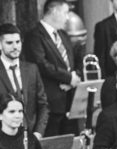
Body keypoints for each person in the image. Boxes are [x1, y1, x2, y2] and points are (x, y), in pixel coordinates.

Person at [24, 0, 80, 137]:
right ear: (54, 11)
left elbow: (74, 60)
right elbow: (41, 64)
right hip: (51, 103)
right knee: (53, 143)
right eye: (65, 13)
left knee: (72, 141)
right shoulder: (34, 36)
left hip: (70, 101)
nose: (67, 18)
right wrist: (68, 78)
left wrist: (73, 78)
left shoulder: (63, 35)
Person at [0, 24, 49, 138]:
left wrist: (38, 132)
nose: (15, 47)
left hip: (31, 135)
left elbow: (43, 105)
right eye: (9, 43)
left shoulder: (32, 69)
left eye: (18, 42)